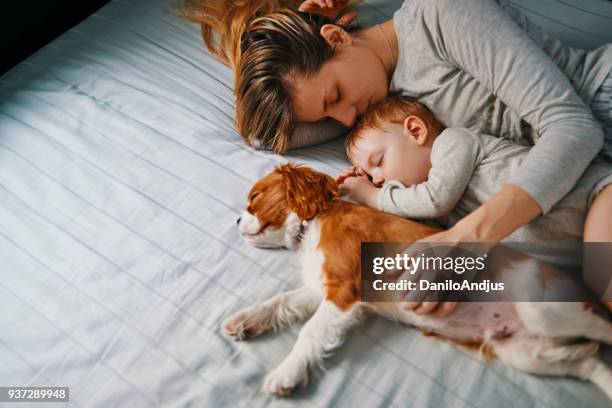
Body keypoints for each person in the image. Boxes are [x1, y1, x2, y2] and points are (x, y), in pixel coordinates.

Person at [180, 0, 612, 315]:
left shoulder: (443, 15)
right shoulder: (378, 107)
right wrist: (291, 34)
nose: (346, 117)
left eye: (336, 96)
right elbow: (264, 135)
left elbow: (572, 127)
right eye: (329, 114)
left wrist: (464, 239)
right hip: (590, 175)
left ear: (336, 37)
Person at [338, 95, 612, 310]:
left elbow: (434, 199)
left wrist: (371, 196)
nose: (379, 180)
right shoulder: (439, 217)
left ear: (415, 130)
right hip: (575, 253)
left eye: (378, 163)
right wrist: (358, 196)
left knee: (604, 282)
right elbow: (414, 218)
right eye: (372, 178)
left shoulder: (453, 142)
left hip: (598, 196)